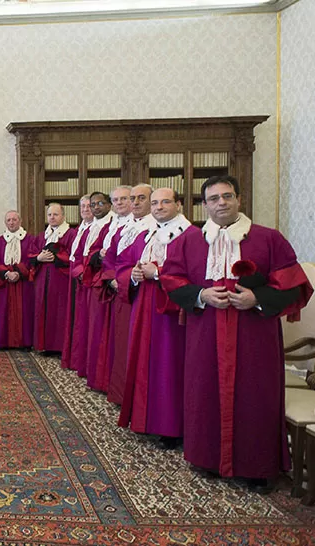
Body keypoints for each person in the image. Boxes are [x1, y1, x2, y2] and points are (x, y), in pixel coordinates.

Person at [162, 175, 311, 491]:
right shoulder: (189, 241)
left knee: (256, 395)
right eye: (213, 198)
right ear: (204, 205)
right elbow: (171, 279)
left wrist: (257, 299)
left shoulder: (268, 239)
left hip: (254, 334)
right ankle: (208, 458)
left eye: (227, 196)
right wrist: (202, 296)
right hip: (205, 332)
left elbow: (294, 283)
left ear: (239, 199)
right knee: (204, 390)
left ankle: (257, 467)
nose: (221, 203)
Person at [116, 187, 195, 449]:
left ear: (179, 204)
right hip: (146, 305)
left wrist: (158, 274)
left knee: (168, 365)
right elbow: (133, 265)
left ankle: (171, 426)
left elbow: (193, 275)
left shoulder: (191, 235)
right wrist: (136, 276)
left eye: (165, 202)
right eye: (155, 203)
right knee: (145, 362)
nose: (158, 207)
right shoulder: (149, 234)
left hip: (171, 312)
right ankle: (146, 419)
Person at [101, 185, 152, 402]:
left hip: (145, 295)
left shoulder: (153, 228)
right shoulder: (123, 229)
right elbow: (112, 257)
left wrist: (122, 278)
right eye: (133, 198)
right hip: (123, 292)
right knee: (122, 346)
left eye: (142, 198)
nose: (134, 203)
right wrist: (114, 278)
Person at [85, 185, 137, 390]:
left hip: (127, 286)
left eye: (125, 199)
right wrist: (101, 260)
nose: (120, 203)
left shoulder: (138, 226)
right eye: (116, 200)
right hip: (109, 283)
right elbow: (96, 250)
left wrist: (117, 277)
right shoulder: (112, 226)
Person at [68, 191, 112, 377]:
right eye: (91, 205)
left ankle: (96, 371)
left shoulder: (109, 226)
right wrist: (79, 272)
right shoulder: (87, 228)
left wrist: (85, 272)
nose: (94, 208)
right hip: (84, 280)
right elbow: (78, 254)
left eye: (98, 204)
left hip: (99, 281)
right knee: (84, 324)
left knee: (97, 328)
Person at [30, 203, 74, 353]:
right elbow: (31, 254)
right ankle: (45, 345)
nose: (52, 217)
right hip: (43, 280)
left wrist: (55, 256)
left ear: (63, 216)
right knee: (43, 309)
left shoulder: (70, 234)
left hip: (61, 280)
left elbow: (73, 255)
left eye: (55, 214)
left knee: (60, 311)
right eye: (49, 215)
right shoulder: (42, 236)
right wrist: (39, 257)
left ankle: (59, 347)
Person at [0, 210, 35, 349]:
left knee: (25, 312)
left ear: (20, 221)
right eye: (8, 220)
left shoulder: (30, 239)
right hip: (5, 282)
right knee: (3, 310)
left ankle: (24, 342)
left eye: (14, 220)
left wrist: (18, 273)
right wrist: (6, 273)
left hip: (23, 282)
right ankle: (3, 341)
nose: (11, 222)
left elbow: (31, 258)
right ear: (5, 223)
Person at [61, 195, 93, 369]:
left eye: (89, 206)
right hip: (78, 278)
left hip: (86, 279)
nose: (86, 209)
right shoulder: (81, 228)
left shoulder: (97, 228)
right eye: (83, 206)